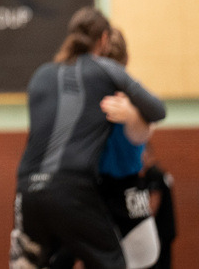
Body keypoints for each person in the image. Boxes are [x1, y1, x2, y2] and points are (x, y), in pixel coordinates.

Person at [10, 8, 166, 269]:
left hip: (40, 189)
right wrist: (133, 114)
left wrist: (131, 115)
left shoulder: (49, 77)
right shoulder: (101, 78)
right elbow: (153, 118)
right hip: (79, 191)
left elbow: (144, 131)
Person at [49, 27, 162, 269]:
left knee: (141, 256)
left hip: (123, 192)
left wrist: (132, 116)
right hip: (90, 191)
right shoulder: (77, 98)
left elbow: (145, 130)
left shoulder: (127, 99)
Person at [142, 147, 176, 269]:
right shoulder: (161, 173)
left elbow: (153, 207)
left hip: (159, 231)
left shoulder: (153, 174)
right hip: (167, 230)